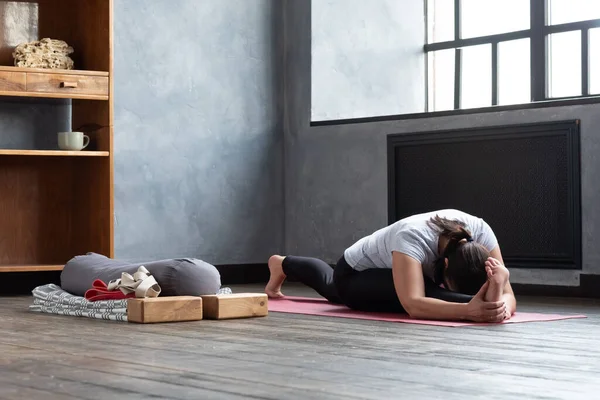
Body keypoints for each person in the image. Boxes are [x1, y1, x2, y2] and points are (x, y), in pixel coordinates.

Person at [265, 209, 516, 323]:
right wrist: (469, 311)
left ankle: (283, 264)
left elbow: (507, 289)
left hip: (385, 272)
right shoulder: (413, 237)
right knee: (336, 289)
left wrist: (499, 303)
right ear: (445, 263)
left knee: (332, 292)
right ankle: (282, 263)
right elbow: (414, 304)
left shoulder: (481, 232)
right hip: (353, 273)